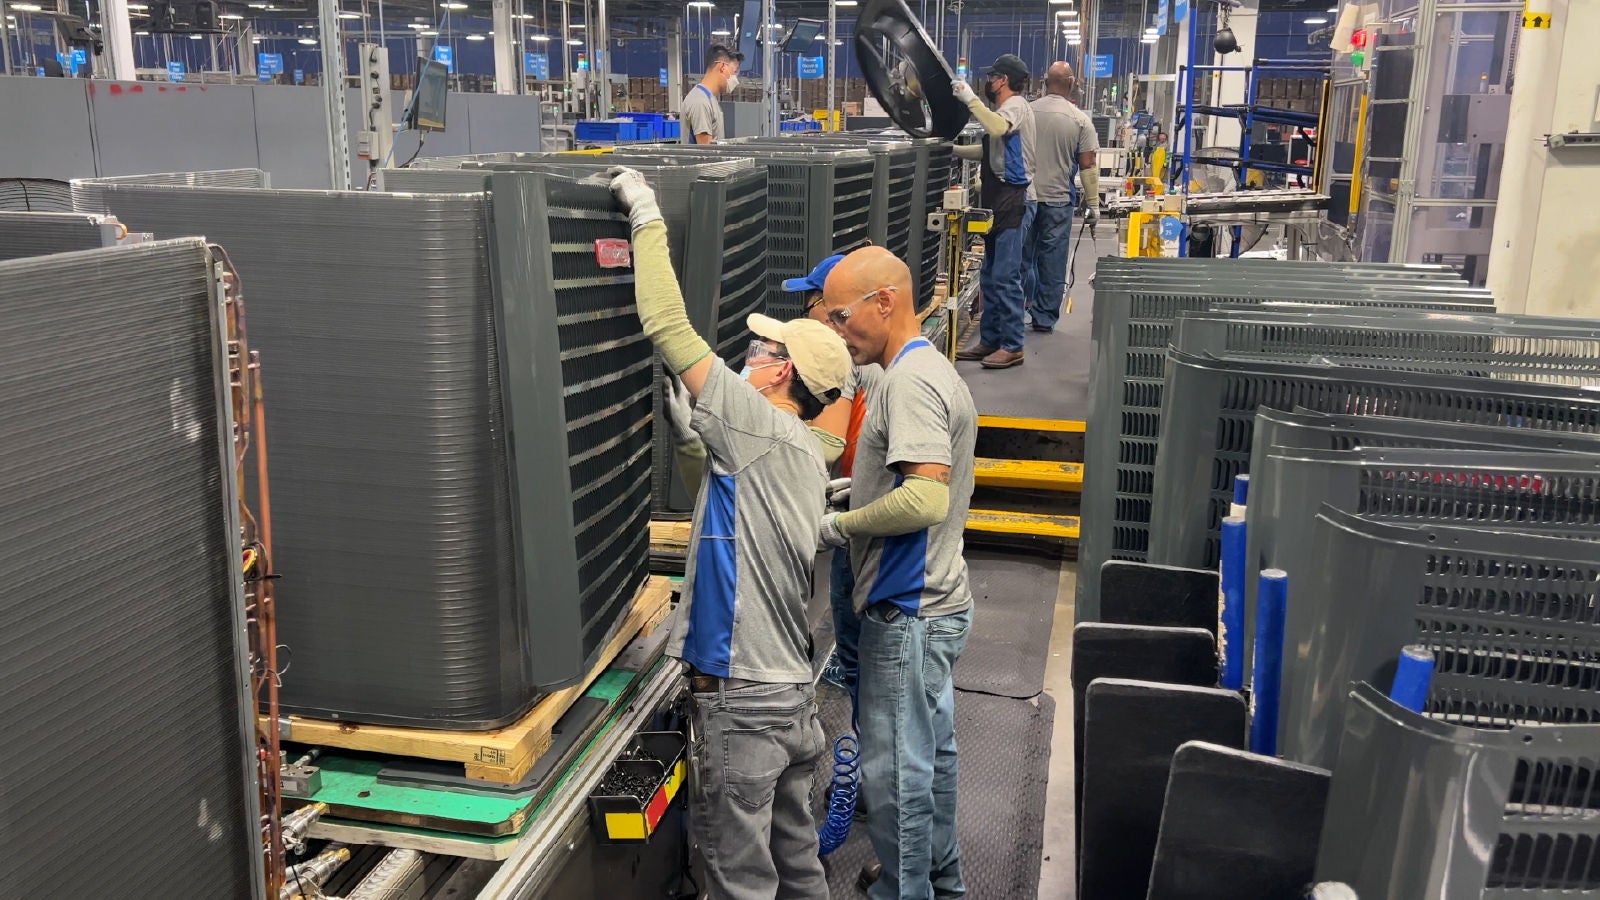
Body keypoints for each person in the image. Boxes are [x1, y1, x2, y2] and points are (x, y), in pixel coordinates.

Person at [608, 165, 851, 900]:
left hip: (742, 705)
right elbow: (723, 507)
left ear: (780, 374)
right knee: (799, 865)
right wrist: (691, 442)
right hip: (788, 701)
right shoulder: (803, 451)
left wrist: (645, 214)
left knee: (735, 879)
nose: (748, 358)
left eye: (759, 353)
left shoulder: (758, 426)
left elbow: (667, 328)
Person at [816, 246, 979, 900]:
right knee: (932, 757)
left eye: (840, 316)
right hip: (938, 605)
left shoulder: (908, 383)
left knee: (894, 775)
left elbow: (923, 500)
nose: (835, 331)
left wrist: (836, 528)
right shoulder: (924, 368)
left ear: (885, 301)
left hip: (906, 611)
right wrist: (855, 491)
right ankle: (944, 881)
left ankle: (905, 893)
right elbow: (911, 477)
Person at [785, 254, 879, 693]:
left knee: (846, 583)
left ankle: (855, 670)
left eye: (813, 301)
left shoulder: (843, 357)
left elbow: (827, 445)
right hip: (864, 485)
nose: (807, 310)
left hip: (865, 495)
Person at [950, 54, 1035, 370]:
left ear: (1003, 80)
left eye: (992, 77)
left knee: (1005, 277)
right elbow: (988, 150)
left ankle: (1012, 345)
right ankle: (990, 339)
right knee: (988, 276)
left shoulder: (1015, 107)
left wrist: (970, 99)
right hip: (996, 200)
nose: (988, 83)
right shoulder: (1003, 110)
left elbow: (997, 129)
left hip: (1013, 201)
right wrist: (953, 151)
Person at [1023, 61, 1101, 333]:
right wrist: (1093, 205)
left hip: (1025, 199)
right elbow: (1088, 165)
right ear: (1070, 84)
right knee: (1052, 263)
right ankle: (1043, 319)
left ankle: (1016, 311)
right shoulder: (1079, 120)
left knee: (1021, 260)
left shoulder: (1027, 113)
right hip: (1058, 202)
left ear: (1045, 82)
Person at [682, 43, 744, 144]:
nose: (735, 78)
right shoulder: (700, 102)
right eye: (734, 71)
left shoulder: (709, 99)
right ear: (722, 67)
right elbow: (706, 153)